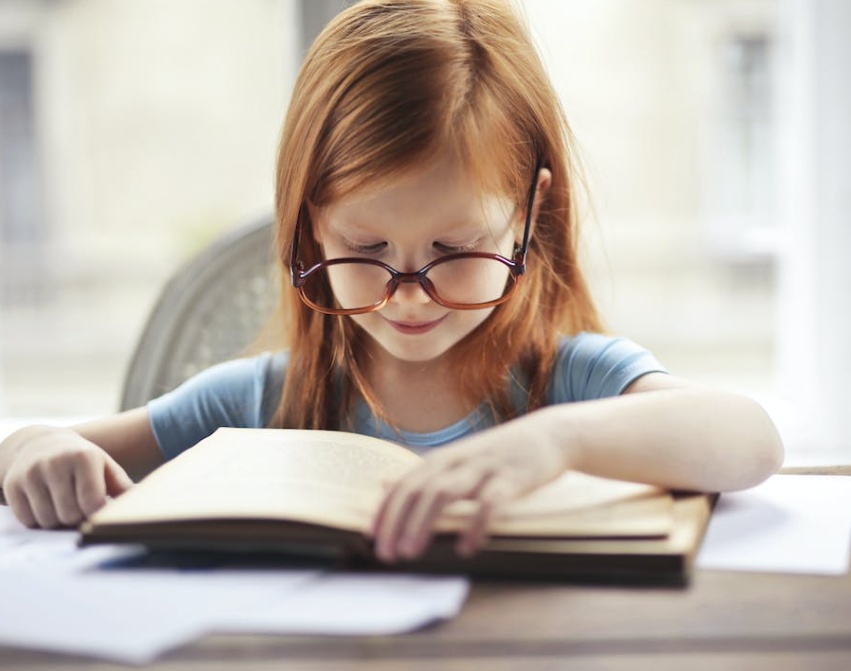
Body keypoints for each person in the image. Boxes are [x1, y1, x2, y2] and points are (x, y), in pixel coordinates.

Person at [0, 0, 783, 563]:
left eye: (455, 246)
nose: (409, 293)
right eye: (365, 245)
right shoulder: (255, 401)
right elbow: (39, 449)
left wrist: (556, 440)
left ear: (528, 212)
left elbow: (749, 439)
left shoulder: (571, 383)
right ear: (309, 224)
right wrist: (32, 446)